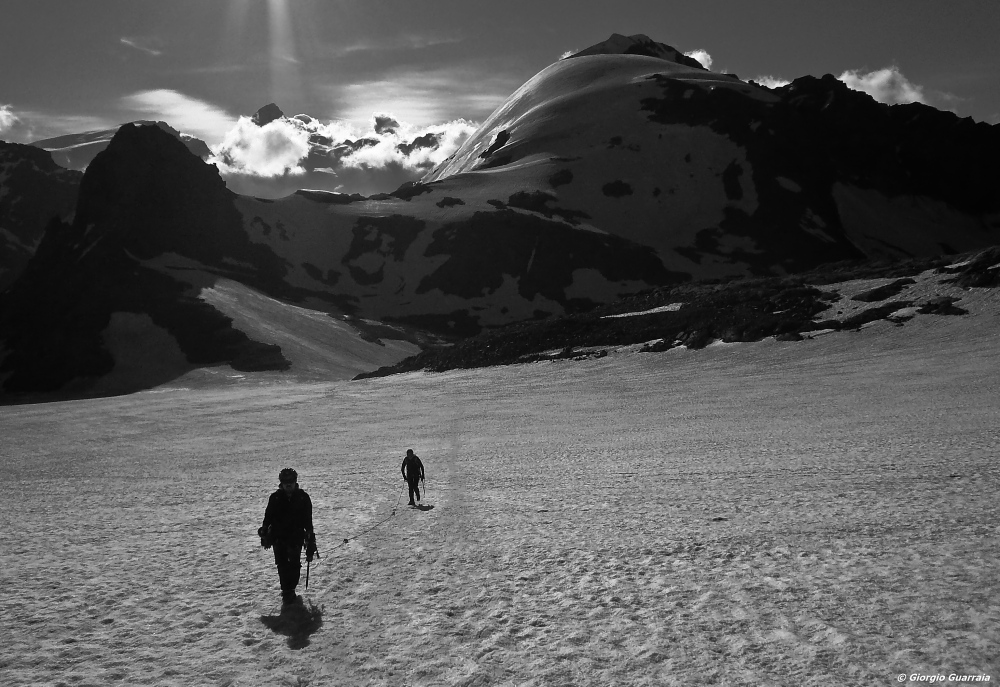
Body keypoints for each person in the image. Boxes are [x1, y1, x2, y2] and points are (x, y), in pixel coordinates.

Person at [258, 468, 317, 603]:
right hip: (278, 537)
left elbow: (308, 520)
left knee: (295, 565)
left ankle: (291, 588)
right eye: (285, 482)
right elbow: (268, 517)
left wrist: (310, 538)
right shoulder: (275, 498)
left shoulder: (303, 498)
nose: (288, 484)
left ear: (295, 481)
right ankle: (287, 591)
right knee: (282, 565)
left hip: (296, 537)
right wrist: (265, 530)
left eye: (290, 481)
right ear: (281, 483)